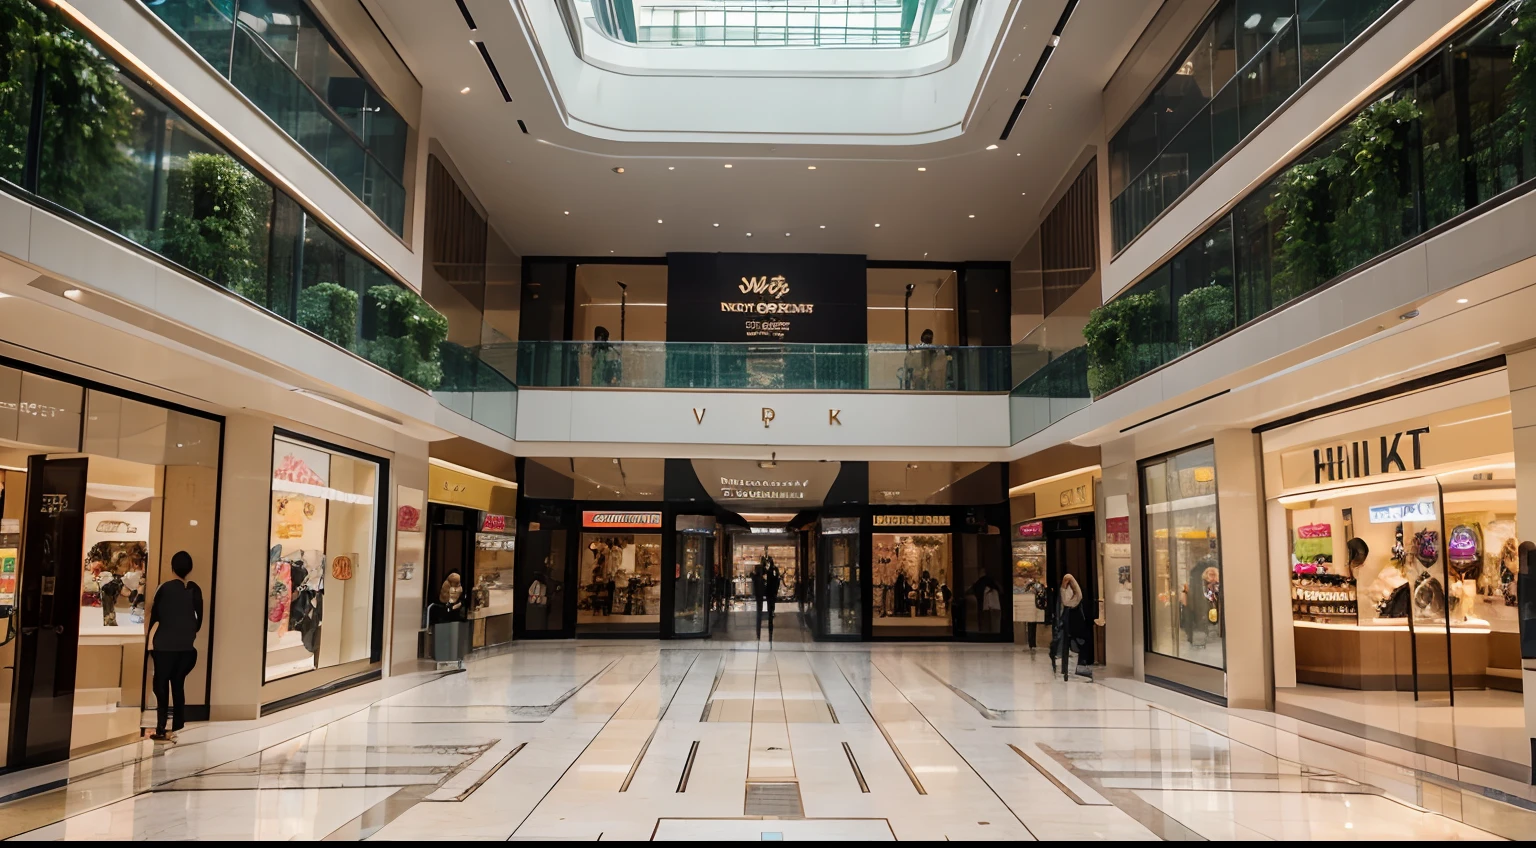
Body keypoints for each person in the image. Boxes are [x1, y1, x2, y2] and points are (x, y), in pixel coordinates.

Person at [147, 551, 203, 742]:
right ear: (190, 569)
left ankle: (161, 728)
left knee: (160, 685)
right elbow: (199, 621)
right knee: (178, 685)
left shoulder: (164, 588)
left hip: (164, 646)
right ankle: (178, 725)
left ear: (172, 567)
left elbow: (155, 616)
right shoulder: (195, 590)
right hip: (186, 648)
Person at [1050, 573, 1089, 680]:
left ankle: (1069, 671)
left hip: (1072, 625)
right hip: (1064, 625)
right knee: (1061, 647)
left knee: (1073, 648)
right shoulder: (1065, 592)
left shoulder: (1076, 595)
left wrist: (1063, 587)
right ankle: (1063, 671)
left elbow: (1066, 602)